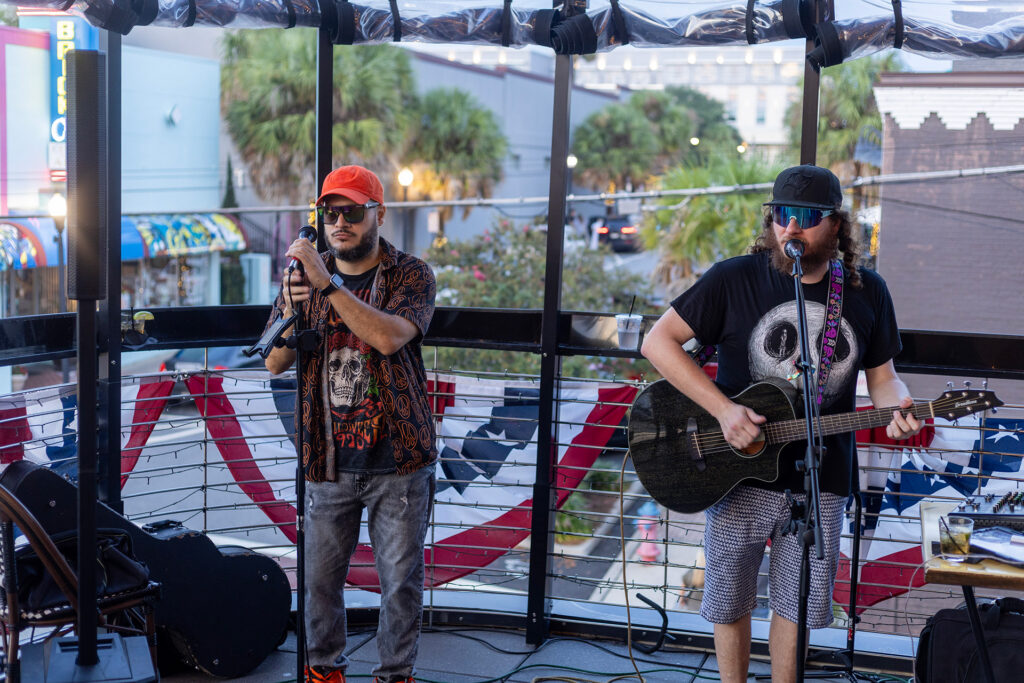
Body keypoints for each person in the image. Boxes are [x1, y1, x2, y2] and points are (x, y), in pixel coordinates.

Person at [640, 164, 922, 683]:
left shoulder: (866, 291)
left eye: (806, 217)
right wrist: (723, 410)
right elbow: (657, 342)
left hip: (820, 477)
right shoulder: (733, 278)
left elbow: (884, 379)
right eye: (782, 214)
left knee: (797, 607)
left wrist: (900, 405)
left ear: (835, 224)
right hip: (736, 470)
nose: (791, 227)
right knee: (729, 599)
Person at [264, 165, 437, 683]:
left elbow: (387, 337)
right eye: (330, 213)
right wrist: (291, 308)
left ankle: (395, 675)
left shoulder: (411, 275)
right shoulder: (303, 277)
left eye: (353, 212)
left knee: (399, 584)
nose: (340, 223)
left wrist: (330, 284)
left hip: (398, 460)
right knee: (319, 582)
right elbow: (273, 362)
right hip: (327, 457)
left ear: (378, 214)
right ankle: (323, 671)